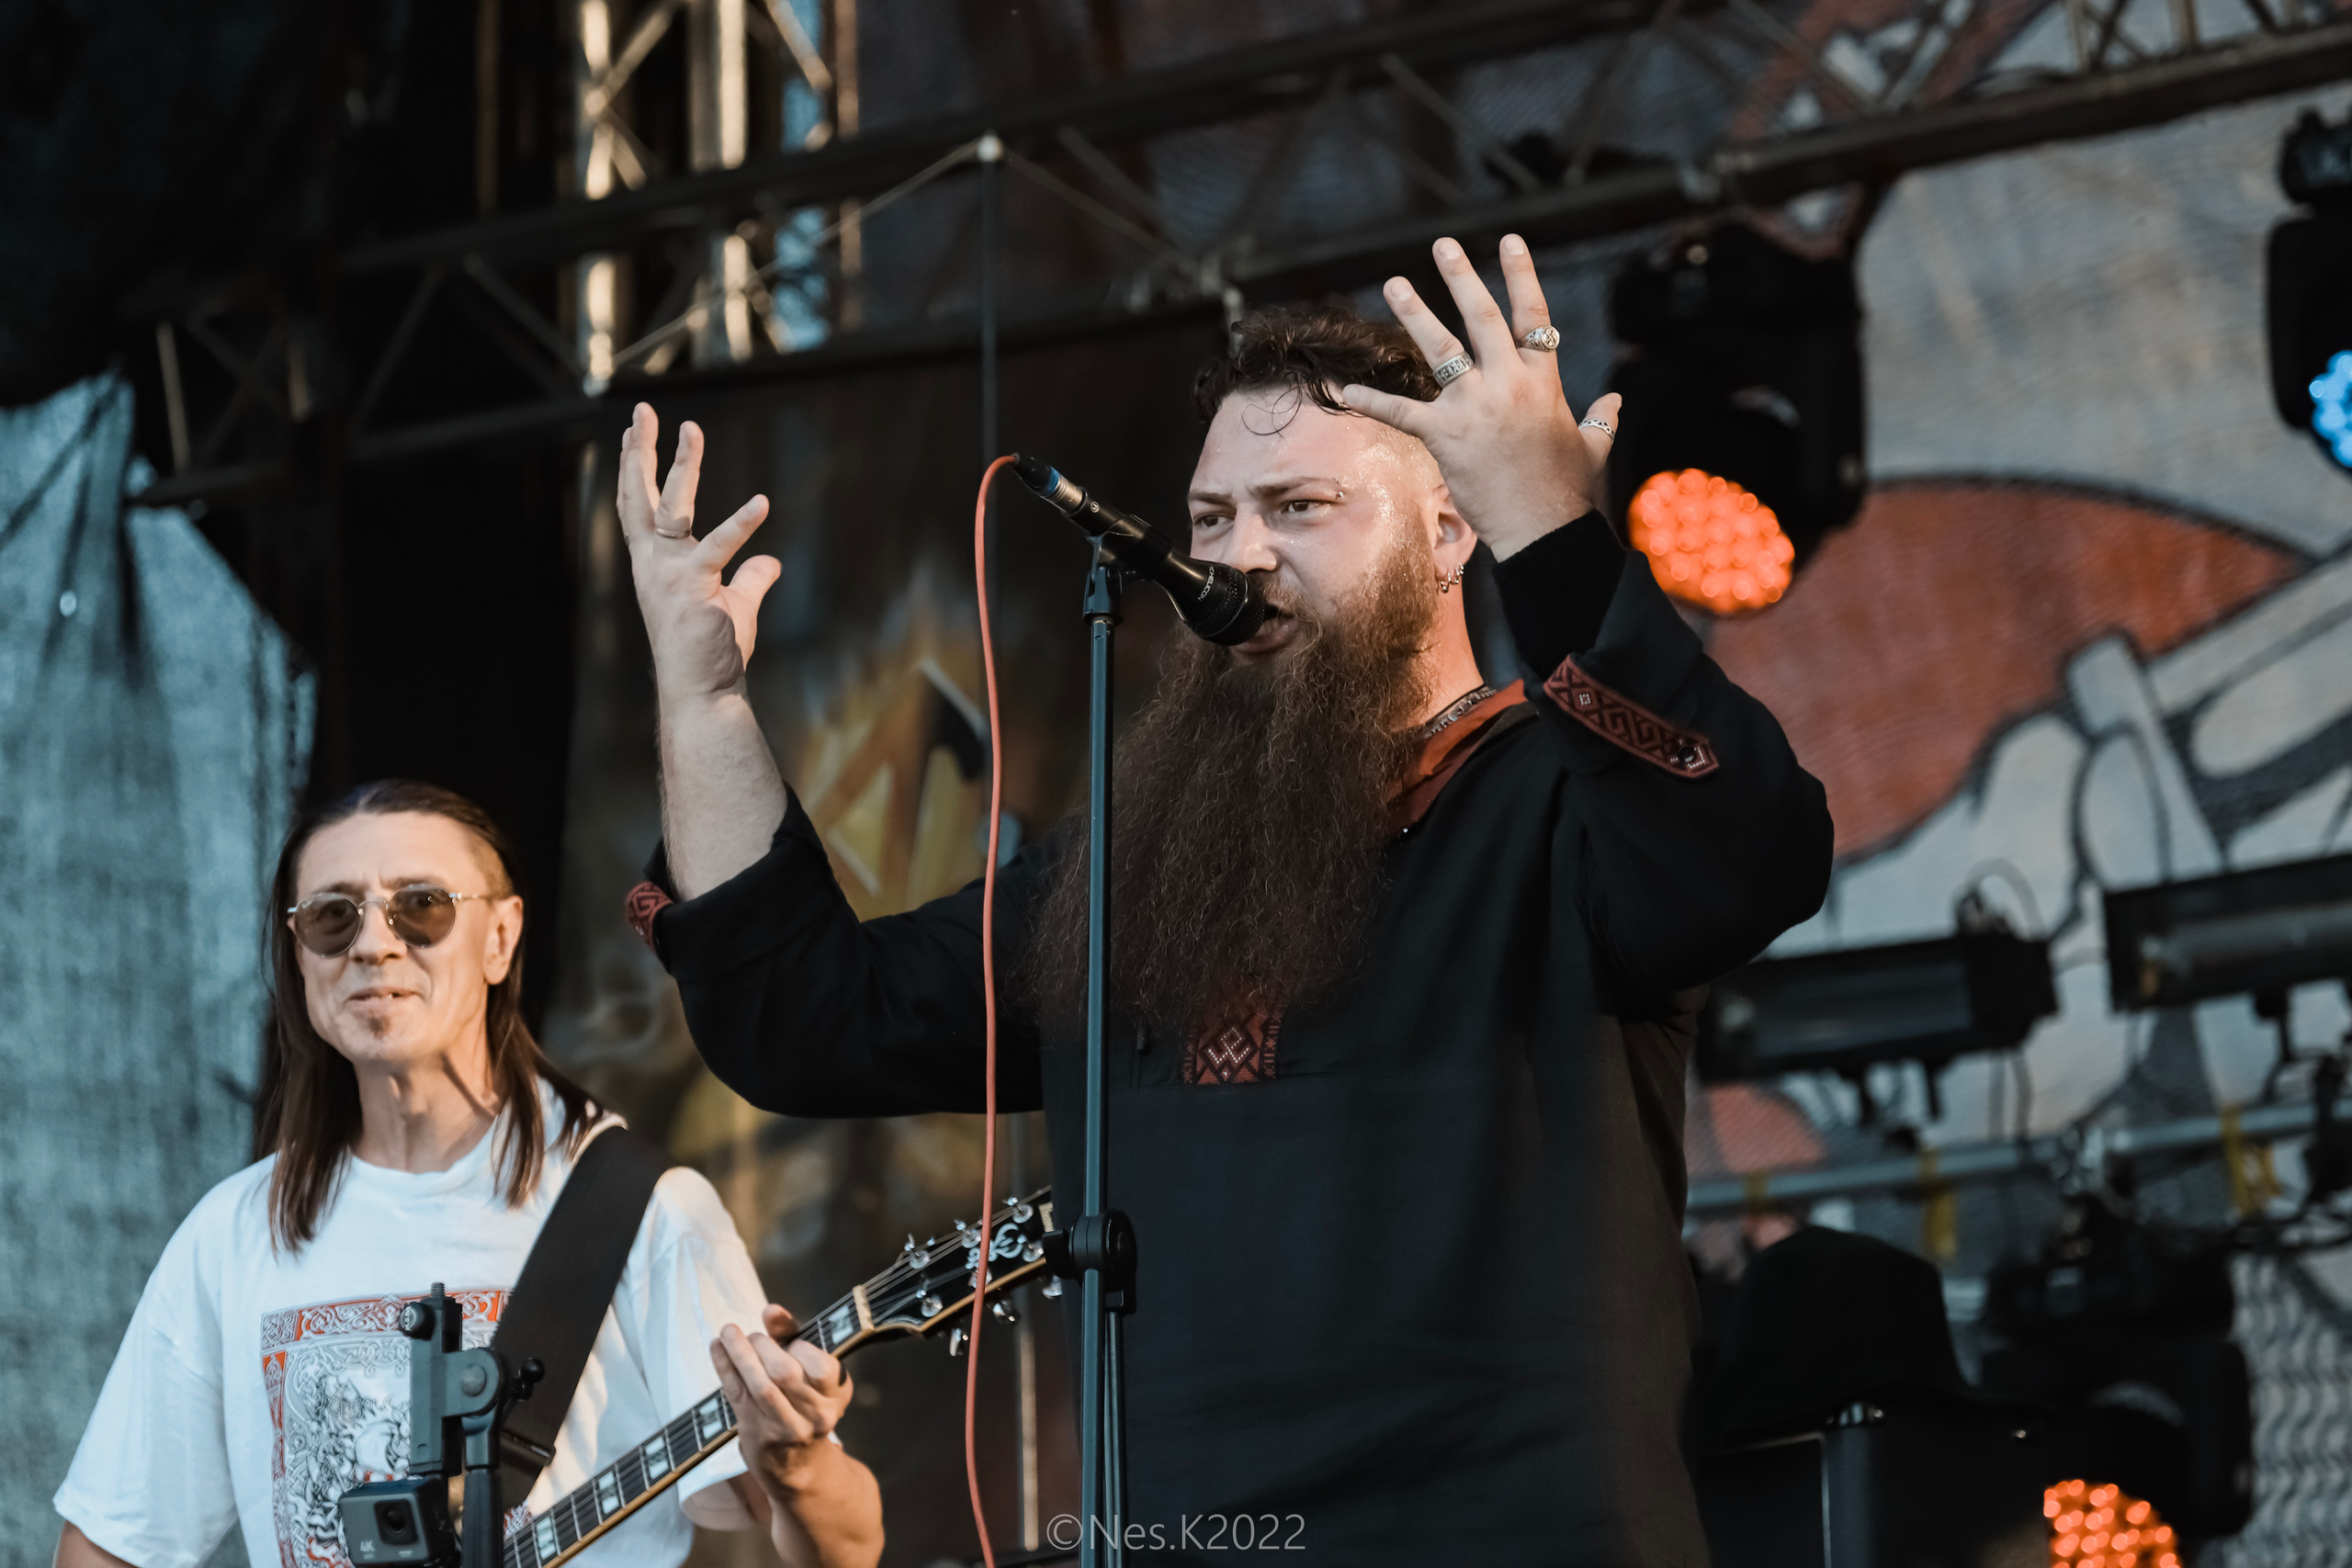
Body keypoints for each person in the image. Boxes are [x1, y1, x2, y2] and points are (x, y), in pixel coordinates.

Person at [619, 236, 1833, 1562]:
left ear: (1449, 526)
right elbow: (804, 1014)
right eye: (1210, 518)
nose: (1239, 558)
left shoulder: (1555, 804)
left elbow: (1746, 851)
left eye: (1300, 507)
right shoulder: (1133, 870)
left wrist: (1557, 533)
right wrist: (705, 699)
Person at [52, 781, 882, 1568]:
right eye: (333, 917)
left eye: (422, 906)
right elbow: (110, 1543)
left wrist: (797, 1462)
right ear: (300, 956)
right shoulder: (231, 1233)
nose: (375, 943)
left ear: (501, 936)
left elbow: (847, 1549)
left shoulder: (642, 1210)